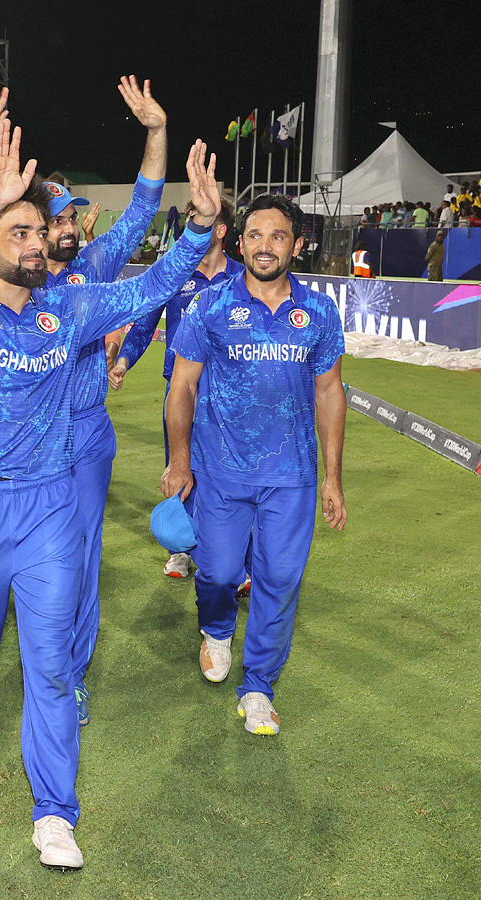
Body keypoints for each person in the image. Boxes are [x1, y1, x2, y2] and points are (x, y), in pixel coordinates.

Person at [0, 119, 221, 870]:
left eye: (34, 231)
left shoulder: (71, 306)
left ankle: (55, 811)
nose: (29, 243)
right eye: (14, 230)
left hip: (51, 503)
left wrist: (202, 230)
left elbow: (151, 285)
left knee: (51, 664)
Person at [0, 77, 169, 727]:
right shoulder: (16, 277)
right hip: (18, 445)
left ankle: (69, 678)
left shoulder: (98, 267)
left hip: (86, 436)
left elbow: (143, 207)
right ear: (36, 231)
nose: (70, 226)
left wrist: (156, 133)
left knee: (80, 560)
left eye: (75, 215)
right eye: (59, 219)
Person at [164, 193, 346, 737]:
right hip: (220, 470)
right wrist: (179, 462)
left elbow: (331, 392)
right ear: (239, 242)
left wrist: (332, 477)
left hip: (291, 475)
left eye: (278, 236)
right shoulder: (211, 305)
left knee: (280, 579)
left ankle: (259, 685)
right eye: (256, 236)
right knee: (218, 572)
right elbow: (182, 388)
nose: (266, 247)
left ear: (296, 244)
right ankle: (217, 630)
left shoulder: (317, 312)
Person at [109, 199, 244, 581]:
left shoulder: (241, 277)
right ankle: (180, 550)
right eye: (190, 222)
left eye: (201, 222)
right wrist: (123, 362)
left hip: (229, 394)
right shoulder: (172, 273)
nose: (192, 228)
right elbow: (143, 325)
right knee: (179, 465)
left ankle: (234, 557)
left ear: (219, 230)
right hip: (180, 390)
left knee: (228, 475)